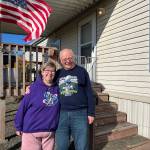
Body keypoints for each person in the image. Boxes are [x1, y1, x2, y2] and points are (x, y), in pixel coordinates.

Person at [55, 48, 95, 150]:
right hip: (61, 114)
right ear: (60, 60)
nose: (67, 60)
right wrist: (31, 87)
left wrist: (91, 113)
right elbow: (45, 81)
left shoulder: (82, 71)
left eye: (69, 58)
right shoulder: (58, 73)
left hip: (80, 114)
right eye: (64, 59)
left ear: (73, 58)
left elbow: (89, 93)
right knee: (61, 145)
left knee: (82, 145)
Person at [14, 61, 60, 150]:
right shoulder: (33, 88)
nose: (50, 73)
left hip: (49, 132)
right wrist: (18, 126)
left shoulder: (57, 89)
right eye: (47, 70)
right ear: (42, 72)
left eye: (53, 71)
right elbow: (22, 108)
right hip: (31, 131)